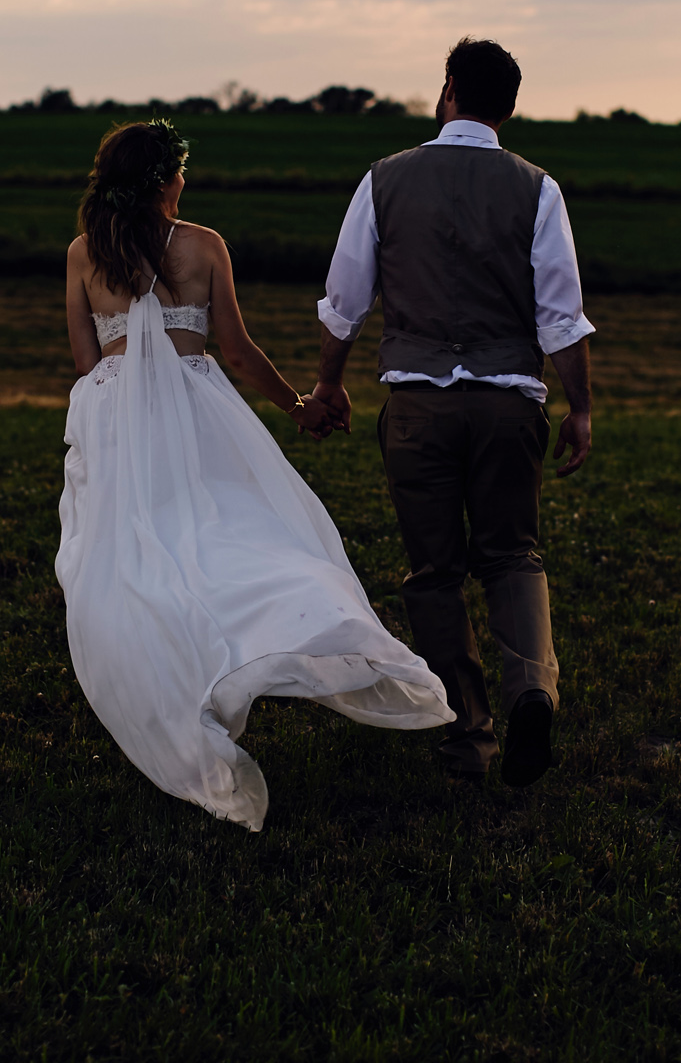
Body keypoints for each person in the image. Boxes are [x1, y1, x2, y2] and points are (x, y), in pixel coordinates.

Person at [56, 119, 454, 832]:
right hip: (199, 410)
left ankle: (173, 678)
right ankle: (293, 626)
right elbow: (236, 349)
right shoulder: (204, 246)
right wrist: (297, 407)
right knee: (238, 536)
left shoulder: (84, 254)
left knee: (140, 556)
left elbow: (87, 365)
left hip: (118, 420)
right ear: (162, 180)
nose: (185, 182)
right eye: (179, 171)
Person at [309, 38, 595, 788]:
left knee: (435, 571)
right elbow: (562, 317)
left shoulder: (385, 179)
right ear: (510, 106)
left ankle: (469, 734)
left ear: (448, 92)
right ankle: (531, 688)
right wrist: (581, 407)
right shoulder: (539, 188)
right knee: (513, 554)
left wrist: (329, 385)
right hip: (508, 405)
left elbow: (345, 303)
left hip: (416, 406)